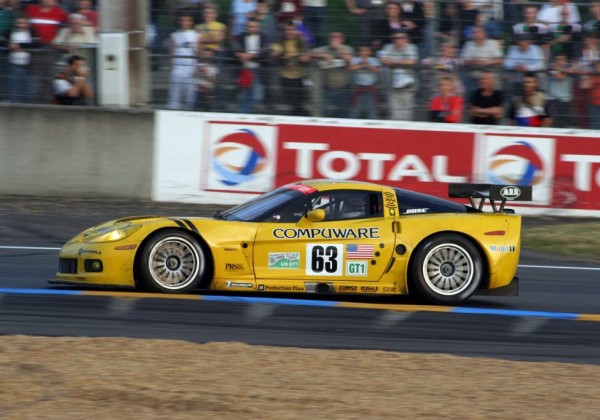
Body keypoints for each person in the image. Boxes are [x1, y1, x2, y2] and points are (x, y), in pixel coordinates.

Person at [271, 21, 311, 116]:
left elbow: (306, 55)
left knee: (300, 101)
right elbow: (277, 56)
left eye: (291, 29)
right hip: (285, 76)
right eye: (287, 30)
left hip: (299, 76)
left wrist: (301, 58)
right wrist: (295, 58)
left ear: (295, 30)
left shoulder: (301, 41)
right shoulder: (280, 42)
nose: (289, 32)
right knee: (292, 102)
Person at [311, 31, 354, 117]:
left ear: (342, 39)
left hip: (343, 88)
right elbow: (308, 54)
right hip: (327, 88)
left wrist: (338, 48)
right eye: (332, 37)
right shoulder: (323, 49)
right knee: (323, 112)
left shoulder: (348, 48)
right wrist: (323, 55)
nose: (334, 39)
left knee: (343, 113)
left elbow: (349, 58)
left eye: (337, 37)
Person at [378, 30, 418, 121]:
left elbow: (412, 61)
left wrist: (393, 62)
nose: (399, 40)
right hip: (392, 86)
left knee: (407, 115)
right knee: (394, 115)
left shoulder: (411, 47)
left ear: (406, 39)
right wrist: (402, 62)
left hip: (409, 87)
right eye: (396, 38)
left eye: (402, 38)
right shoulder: (387, 47)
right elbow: (382, 60)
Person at [233, 18, 270, 113]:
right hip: (243, 68)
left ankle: (245, 114)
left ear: (258, 27)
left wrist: (250, 55)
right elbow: (234, 50)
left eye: (253, 26)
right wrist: (241, 55)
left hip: (258, 68)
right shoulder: (240, 37)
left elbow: (265, 53)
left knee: (254, 95)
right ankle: (242, 115)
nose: (251, 28)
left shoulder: (264, 37)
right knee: (242, 95)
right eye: (249, 26)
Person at [166, 13, 200, 111]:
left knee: (190, 97)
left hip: (191, 68)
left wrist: (196, 67)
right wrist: (171, 66)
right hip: (178, 68)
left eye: (186, 20)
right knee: (175, 96)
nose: (183, 22)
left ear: (191, 22)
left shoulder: (196, 35)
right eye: (182, 20)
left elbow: (198, 52)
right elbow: (171, 51)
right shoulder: (175, 35)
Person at [460, 25, 503, 97]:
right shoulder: (469, 44)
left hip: (489, 70)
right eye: (474, 32)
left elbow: (500, 60)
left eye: (478, 32)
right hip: (474, 71)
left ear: (484, 33)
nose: (476, 34)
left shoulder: (493, 43)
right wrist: (473, 62)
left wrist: (486, 62)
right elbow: (462, 61)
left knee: (493, 80)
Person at [6, 15, 40, 103]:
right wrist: (9, 45)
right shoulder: (10, 31)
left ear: (27, 24)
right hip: (14, 63)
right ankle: (13, 102)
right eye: (19, 23)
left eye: (23, 23)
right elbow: (3, 42)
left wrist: (20, 46)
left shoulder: (32, 32)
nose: (21, 25)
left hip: (30, 65)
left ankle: (28, 104)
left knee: (29, 87)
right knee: (14, 86)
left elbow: (36, 44)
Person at [348, 43, 380, 119]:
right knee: (354, 112)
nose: (363, 52)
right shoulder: (355, 59)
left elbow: (377, 70)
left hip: (370, 89)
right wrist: (362, 65)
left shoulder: (374, 60)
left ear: (370, 52)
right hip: (358, 88)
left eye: (366, 50)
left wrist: (368, 65)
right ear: (359, 52)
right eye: (361, 51)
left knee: (372, 112)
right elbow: (350, 68)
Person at [546, 53, 575, 128]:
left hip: (565, 100)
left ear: (566, 61)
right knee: (554, 123)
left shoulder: (570, 67)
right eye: (557, 59)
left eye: (562, 59)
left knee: (564, 123)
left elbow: (573, 70)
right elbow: (557, 76)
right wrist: (562, 71)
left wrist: (562, 70)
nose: (559, 62)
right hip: (552, 99)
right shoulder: (551, 67)